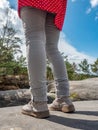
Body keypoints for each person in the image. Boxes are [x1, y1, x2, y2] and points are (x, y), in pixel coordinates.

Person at [18, 0, 75, 118]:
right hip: (57, 3)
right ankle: (64, 99)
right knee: (53, 48)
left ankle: (38, 103)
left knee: (34, 37)